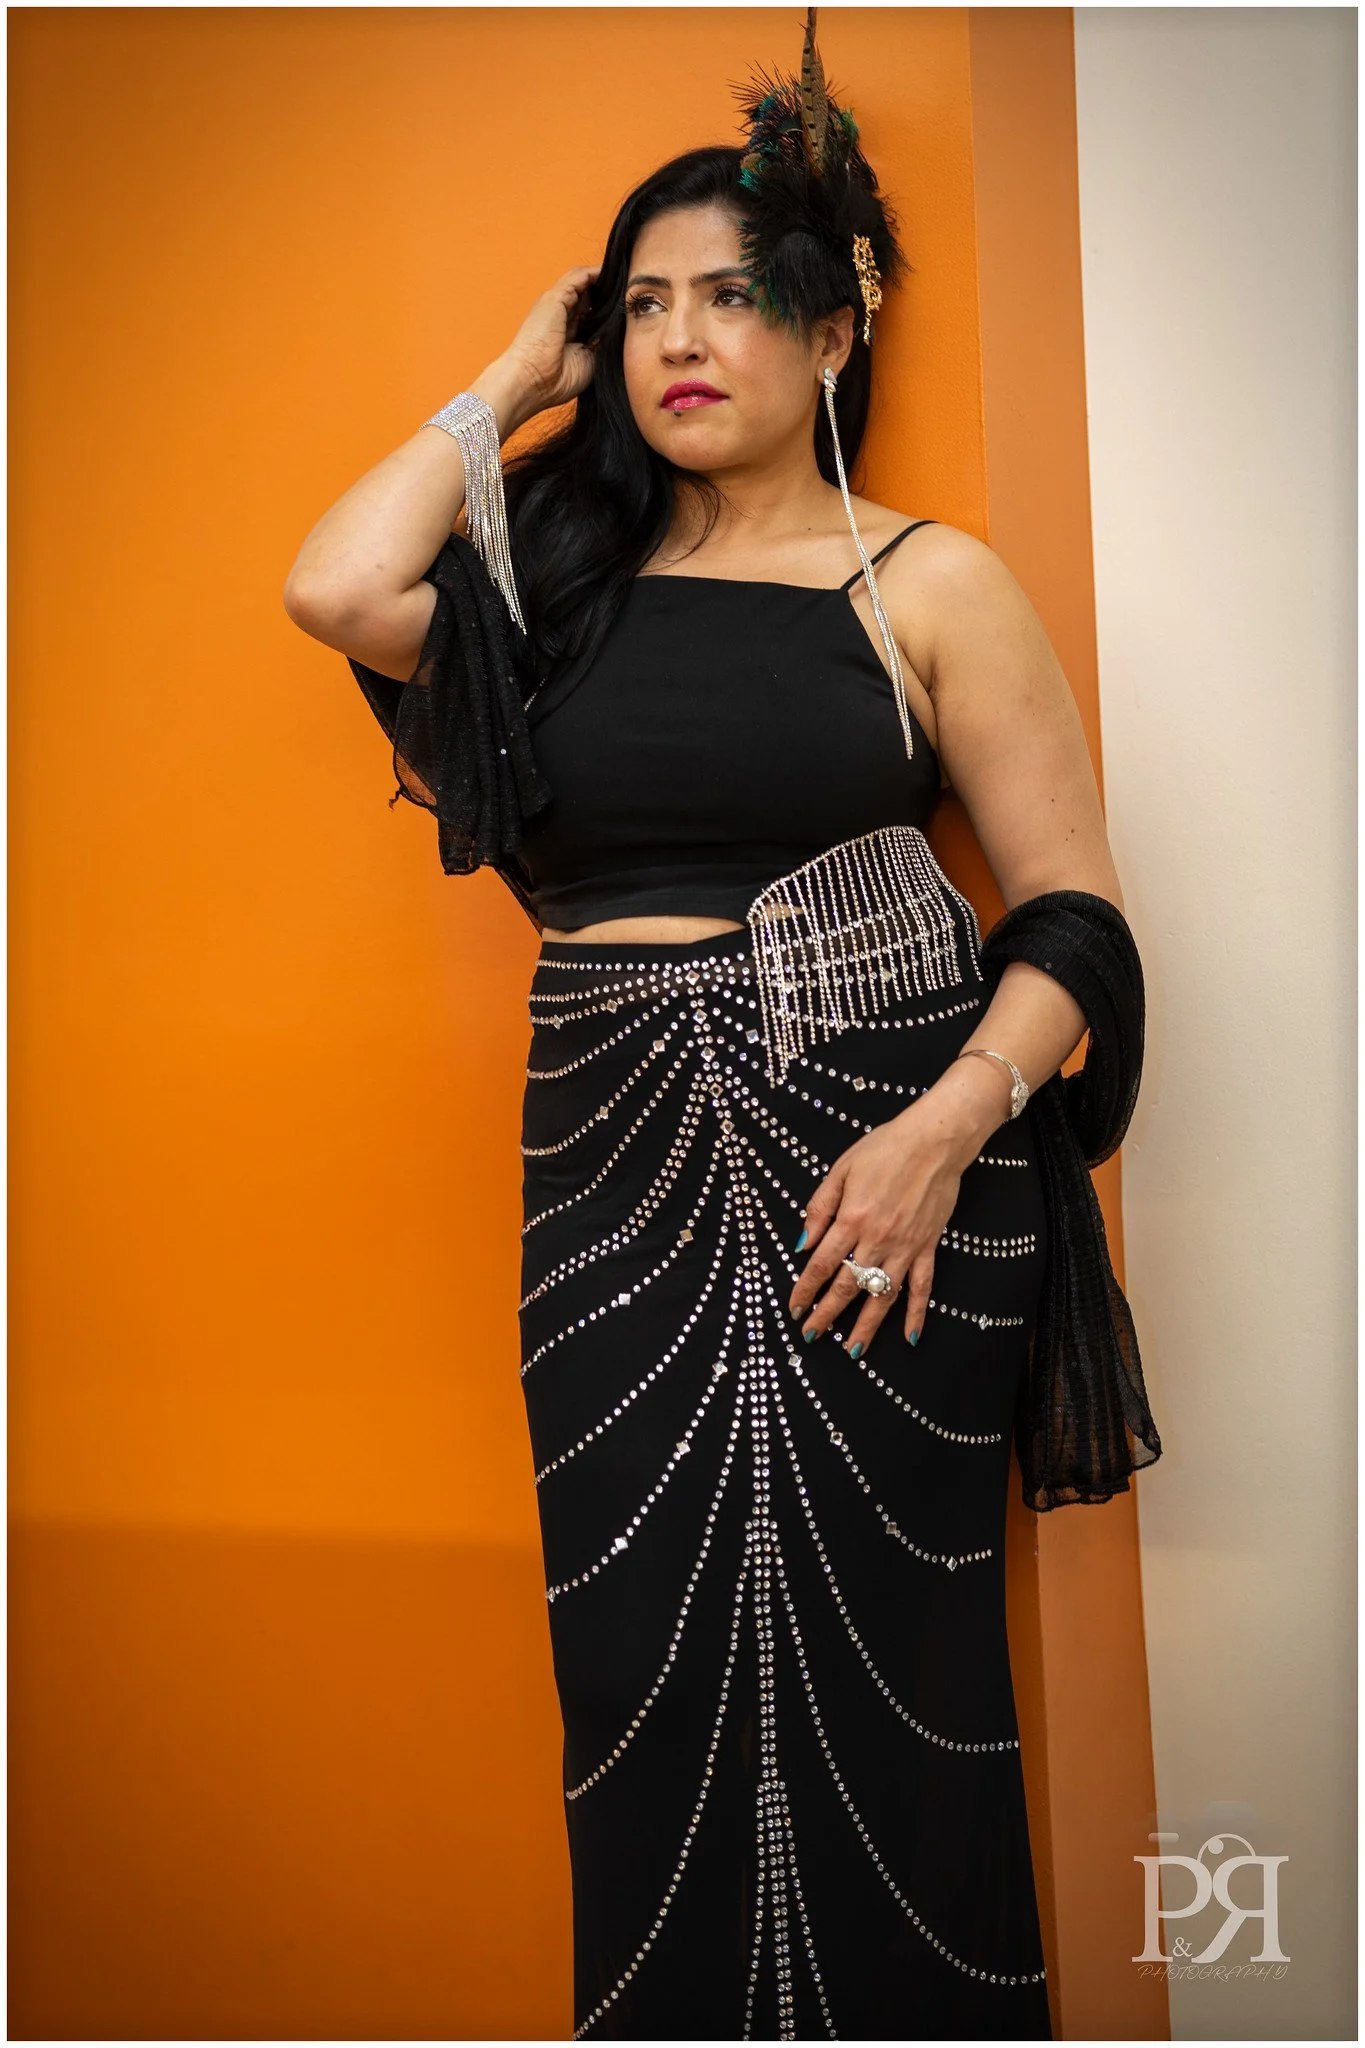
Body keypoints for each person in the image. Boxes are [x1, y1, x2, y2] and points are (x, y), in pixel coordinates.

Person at [284, 14, 1159, 2038]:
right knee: (648, 1669)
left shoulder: (928, 583)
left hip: (889, 1186)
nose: (687, 337)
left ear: (833, 334)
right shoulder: (551, 599)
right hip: (611, 1186)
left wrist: (953, 1120)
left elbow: (1077, 911)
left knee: (887, 1670)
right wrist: (512, 378)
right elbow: (335, 587)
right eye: (648, 302)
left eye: (741, 298)